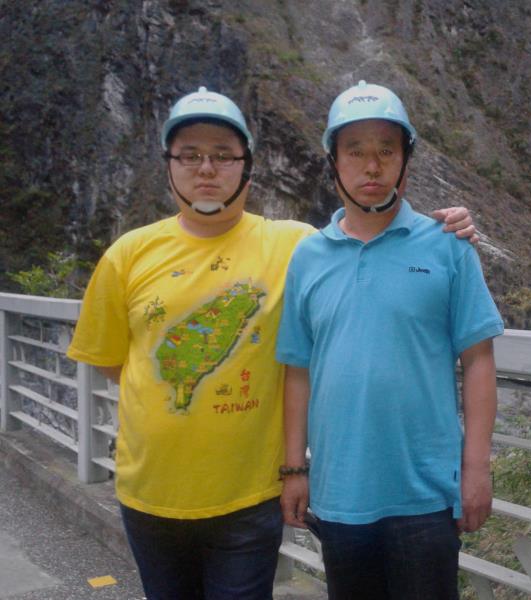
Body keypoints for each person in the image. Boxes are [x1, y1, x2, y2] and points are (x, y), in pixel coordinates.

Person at [66, 85, 477, 600]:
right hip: (148, 493)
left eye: (223, 155)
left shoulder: (296, 245)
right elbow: (112, 362)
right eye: (190, 155)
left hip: (250, 497)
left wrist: (450, 225)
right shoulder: (127, 255)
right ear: (168, 164)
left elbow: (363, 238)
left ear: (248, 166)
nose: (207, 169)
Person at [277, 80, 504, 600]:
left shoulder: (448, 246)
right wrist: (294, 469)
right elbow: (297, 370)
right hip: (339, 494)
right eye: (355, 151)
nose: (372, 166)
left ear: (406, 160)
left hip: (426, 495)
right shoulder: (308, 257)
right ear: (333, 161)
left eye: (386, 150)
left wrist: (476, 468)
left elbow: (478, 360)